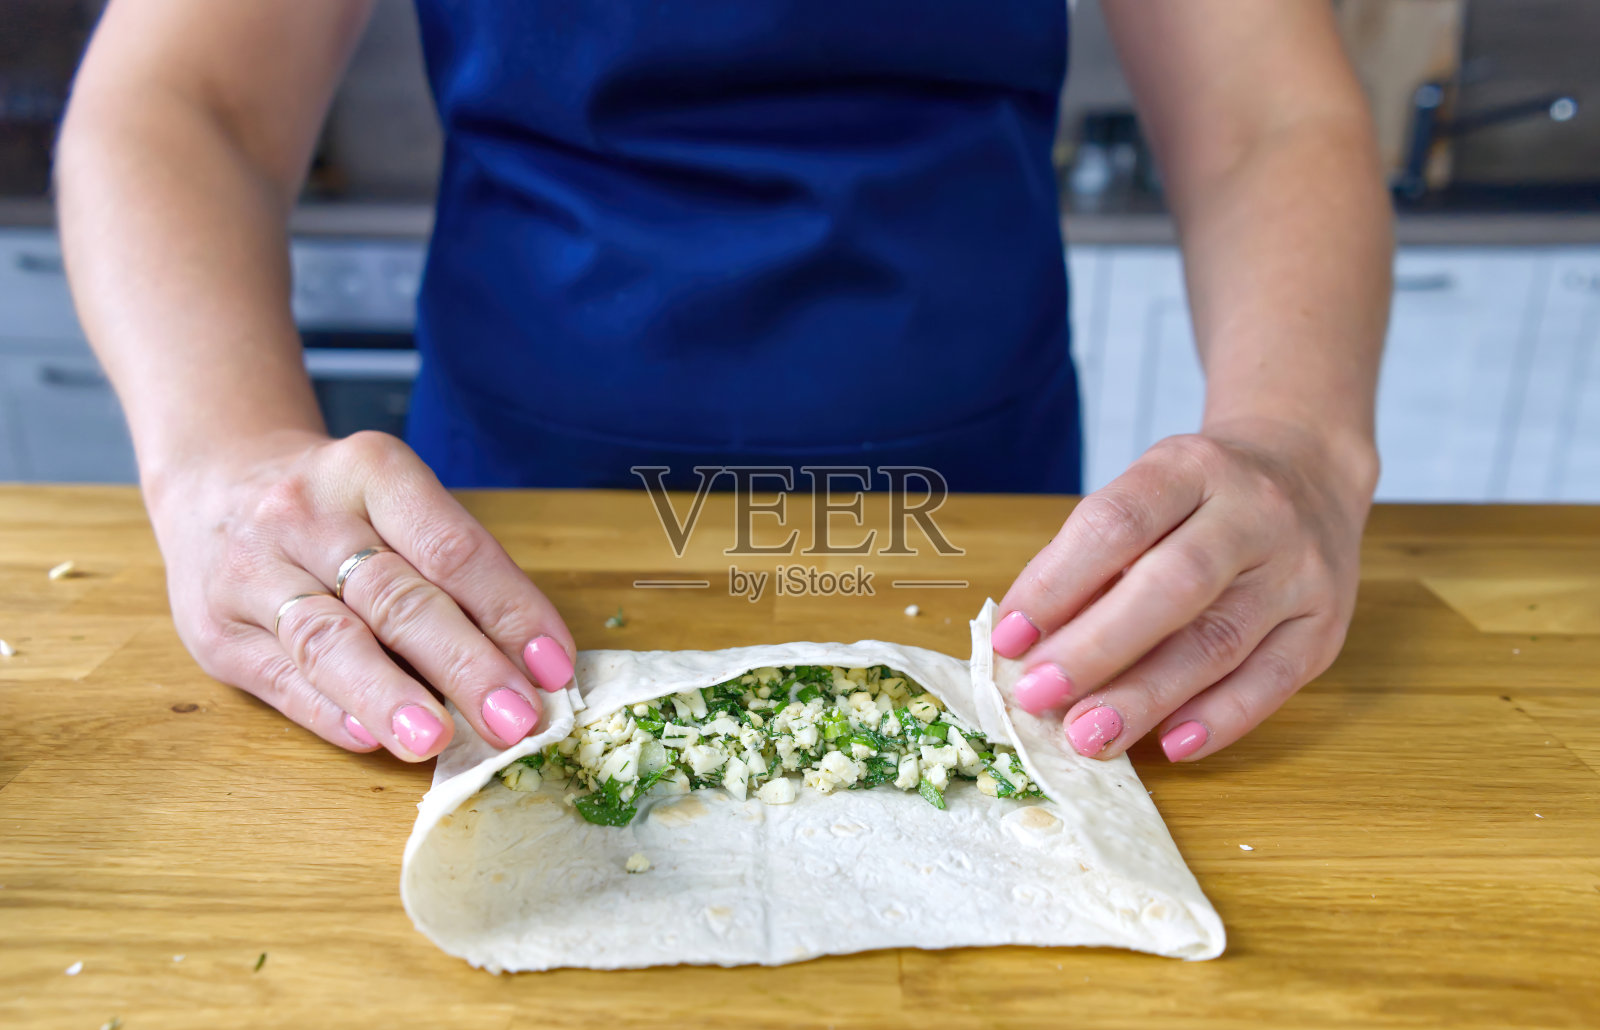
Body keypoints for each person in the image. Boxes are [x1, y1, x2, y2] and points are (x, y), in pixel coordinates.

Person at [56, 0, 1391, 769]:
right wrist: (219, 454)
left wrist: (1302, 440)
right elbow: (184, 99)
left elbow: (1266, 112)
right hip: (503, 533)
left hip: (985, 522)